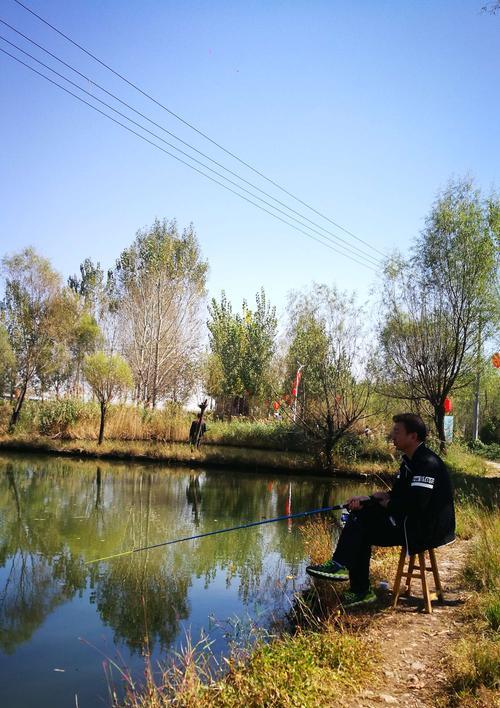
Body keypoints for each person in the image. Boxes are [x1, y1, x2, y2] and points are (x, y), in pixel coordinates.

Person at [306, 413, 455, 607]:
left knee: (361, 523)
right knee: (360, 518)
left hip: (424, 529)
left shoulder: (427, 464)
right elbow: (398, 496)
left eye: (397, 431)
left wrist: (385, 504)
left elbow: (416, 505)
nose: (392, 435)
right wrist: (369, 499)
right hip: (409, 521)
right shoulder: (409, 462)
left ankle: (344, 569)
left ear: (413, 436)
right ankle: (358, 587)